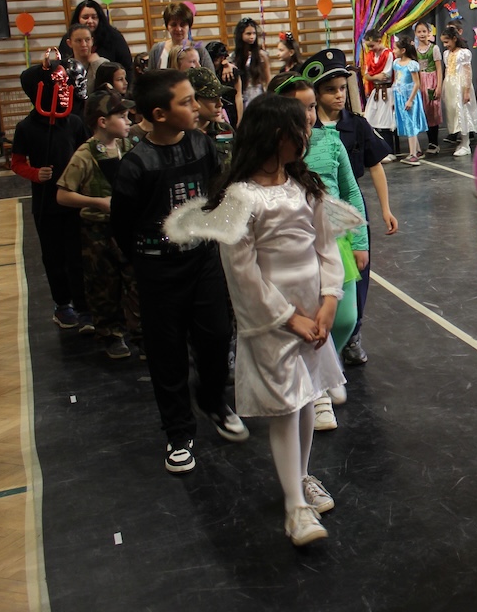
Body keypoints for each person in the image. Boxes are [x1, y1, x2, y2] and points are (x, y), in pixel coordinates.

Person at [164, 96, 361, 547]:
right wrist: (288, 318)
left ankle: (302, 477)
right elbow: (243, 273)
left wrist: (330, 300)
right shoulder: (241, 197)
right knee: (286, 405)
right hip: (274, 319)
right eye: (299, 129)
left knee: (307, 397)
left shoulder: (304, 186)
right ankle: (294, 507)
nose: (306, 135)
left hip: (313, 312)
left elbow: (326, 248)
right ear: (276, 136)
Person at [110, 70, 247, 474]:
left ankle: (213, 401)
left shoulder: (202, 144)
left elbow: (215, 192)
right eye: (186, 102)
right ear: (159, 114)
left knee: (217, 335)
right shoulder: (136, 164)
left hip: (202, 261)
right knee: (166, 353)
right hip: (158, 271)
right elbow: (122, 224)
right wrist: (144, 262)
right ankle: (178, 432)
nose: (196, 107)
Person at [277, 67, 367, 431]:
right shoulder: (277, 150)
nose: (309, 115)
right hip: (297, 247)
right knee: (308, 315)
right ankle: (318, 392)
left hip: (336, 241)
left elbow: (351, 192)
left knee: (344, 318)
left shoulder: (331, 141)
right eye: (300, 108)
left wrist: (359, 240)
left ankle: (328, 364)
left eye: (312, 107)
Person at [310, 49, 397, 369]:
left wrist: (385, 209)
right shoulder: (306, 129)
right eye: (330, 90)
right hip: (316, 215)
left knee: (358, 276)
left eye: (342, 89)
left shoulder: (356, 124)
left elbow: (375, 166)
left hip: (352, 211)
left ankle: (353, 333)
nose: (338, 95)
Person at [55, 91, 140, 360]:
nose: (128, 121)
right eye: (122, 116)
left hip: (126, 227)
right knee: (104, 285)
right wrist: (97, 202)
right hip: (97, 231)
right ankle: (111, 334)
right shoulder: (85, 154)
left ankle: (139, 333)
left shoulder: (128, 146)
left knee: (135, 281)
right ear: (103, 122)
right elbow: (63, 195)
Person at [11, 56, 89, 331]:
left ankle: (83, 304)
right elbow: (16, 162)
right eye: (59, 84)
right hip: (46, 204)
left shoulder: (75, 123)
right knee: (54, 256)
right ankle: (63, 304)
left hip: (75, 201)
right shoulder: (26, 127)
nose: (65, 89)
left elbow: (86, 153)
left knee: (77, 254)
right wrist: (35, 173)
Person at [61, 0, 135, 86]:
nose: (90, 21)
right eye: (85, 17)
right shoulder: (68, 38)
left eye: (94, 17)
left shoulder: (114, 36)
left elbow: (127, 66)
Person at [441, 26, 477, 158]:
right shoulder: (446, 54)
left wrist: (466, 90)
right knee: (455, 114)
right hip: (451, 85)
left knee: (463, 113)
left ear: (454, 39)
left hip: (460, 86)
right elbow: (447, 71)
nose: (445, 45)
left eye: (447, 42)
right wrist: (444, 88)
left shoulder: (464, 53)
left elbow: (468, 72)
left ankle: (466, 144)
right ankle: (462, 142)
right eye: (443, 42)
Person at [148, 2, 217, 74]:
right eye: (173, 25)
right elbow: (149, 78)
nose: (178, 29)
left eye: (182, 24)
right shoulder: (157, 50)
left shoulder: (199, 50)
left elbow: (211, 78)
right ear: (167, 26)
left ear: (189, 26)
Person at [188, 67, 235, 170]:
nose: (220, 104)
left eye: (220, 98)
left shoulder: (225, 130)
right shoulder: (182, 136)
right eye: (212, 98)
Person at [393, 38, 429, 165]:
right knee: (407, 122)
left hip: (409, 96)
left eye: (395, 48)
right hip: (399, 95)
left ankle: (413, 155)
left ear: (403, 50)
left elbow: (416, 83)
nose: (393, 51)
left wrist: (410, 100)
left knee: (410, 123)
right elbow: (397, 79)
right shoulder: (396, 63)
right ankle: (417, 150)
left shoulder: (412, 64)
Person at [362, 30, 397, 156]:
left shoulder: (388, 54)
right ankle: (378, 151)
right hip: (375, 92)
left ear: (379, 41)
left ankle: (389, 151)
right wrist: (374, 77)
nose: (370, 49)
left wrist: (372, 76)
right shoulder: (370, 55)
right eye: (368, 46)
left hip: (387, 92)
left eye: (372, 46)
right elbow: (366, 75)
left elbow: (386, 75)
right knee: (370, 119)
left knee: (385, 122)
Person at [414, 21, 444, 153]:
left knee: (433, 111)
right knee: (424, 111)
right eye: (419, 32)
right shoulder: (414, 50)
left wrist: (439, 86)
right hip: (420, 82)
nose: (422, 34)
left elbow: (439, 69)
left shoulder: (434, 48)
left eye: (424, 31)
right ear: (415, 33)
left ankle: (434, 143)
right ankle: (428, 141)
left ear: (429, 33)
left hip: (431, 81)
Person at [233, 17, 271, 108]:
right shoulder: (234, 57)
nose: (252, 36)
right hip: (241, 95)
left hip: (258, 95)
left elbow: (268, 79)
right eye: (248, 33)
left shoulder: (261, 55)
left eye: (254, 33)